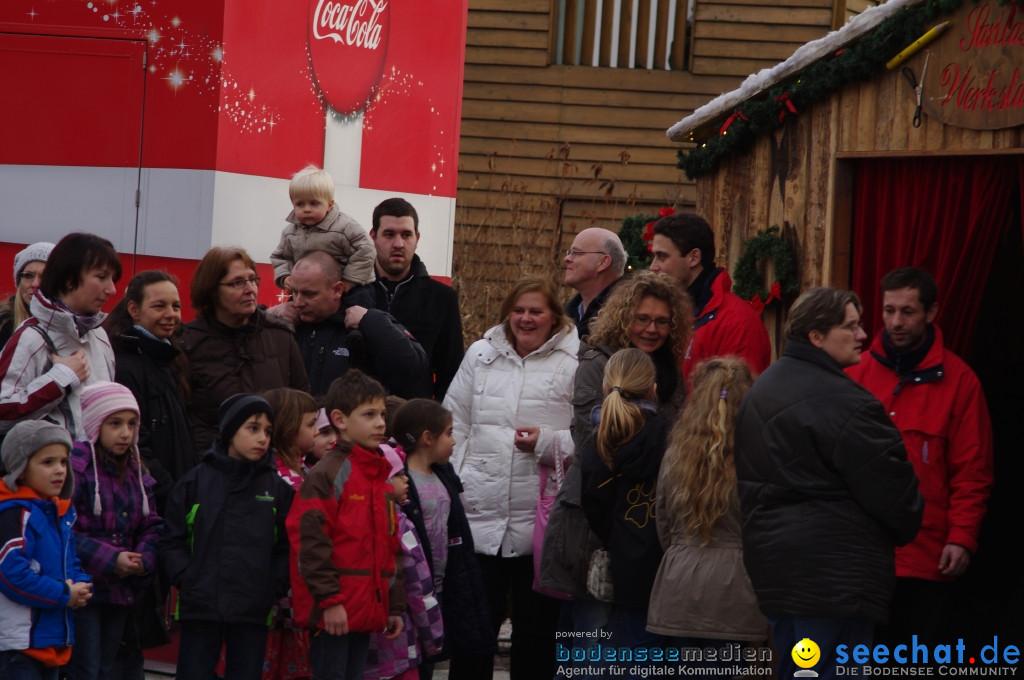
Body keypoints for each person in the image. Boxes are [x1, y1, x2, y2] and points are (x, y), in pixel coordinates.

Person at [734, 287, 924, 680]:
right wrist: (907, 521)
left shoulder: (763, 388)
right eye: (850, 327)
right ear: (816, 337)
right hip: (834, 582)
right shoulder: (845, 402)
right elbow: (895, 495)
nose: (863, 336)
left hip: (781, 572)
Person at [846, 267, 993, 646]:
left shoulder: (961, 382)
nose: (896, 322)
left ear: (931, 312)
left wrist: (961, 537)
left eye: (907, 312)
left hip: (927, 556)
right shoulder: (855, 372)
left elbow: (972, 471)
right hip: (860, 554)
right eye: (888, 310)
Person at [442, 276, 578, 680]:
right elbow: (455, 423)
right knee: (473, 634)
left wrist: (547, 442)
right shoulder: (480, 355)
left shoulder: (576, 361)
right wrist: (455, 483)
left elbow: (592, 435)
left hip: (541, 523)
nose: (526, 318)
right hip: (479, 512)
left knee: (536, 637)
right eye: (518, 310)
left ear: (554, 316)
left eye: (536, 311)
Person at [540, 271, 692, 603]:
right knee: (593, 636)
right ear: (624, 318)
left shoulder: (671, 372)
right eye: (643, 319)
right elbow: (596, 446)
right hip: (597, 516)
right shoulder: (597, 364)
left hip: (650, 518)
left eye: (662, 322)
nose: (652, 329)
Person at [159, 394, 294, 680]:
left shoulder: (277, 490)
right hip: (201, 605)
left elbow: (288, 545)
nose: (262, 438)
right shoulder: (195, 482)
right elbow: (172, 539)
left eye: (268, 431)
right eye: (253, 428)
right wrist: (188, 577)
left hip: (252, 608)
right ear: (230, 431)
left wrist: (273, 585)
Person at [287, 370, 405, 680]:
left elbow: (392, 546)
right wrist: (329, 601)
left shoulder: (380, 476)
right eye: (369, 414)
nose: (381, 422)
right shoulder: (327, 473)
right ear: (340, 419)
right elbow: (309, 544)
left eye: (381, 413)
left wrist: (394, 605)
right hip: (334, 611)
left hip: (368, 609)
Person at [647, 358, 766, 656]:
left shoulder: (676, 451)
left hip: (678, 581)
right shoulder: (758, 455)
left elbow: (662, 519)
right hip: (735, 586)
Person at [390, 399, 497, 680]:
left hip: (442, 587)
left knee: (434, 656)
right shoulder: (401, 482)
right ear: (427, 438)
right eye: (449, 433)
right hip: (412, 590)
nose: (454, 440)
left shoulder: (444, 475)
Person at [580, 349, 671, 671]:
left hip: (625, 562)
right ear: (653, 388)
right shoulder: (672, 434)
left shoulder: (601, 440)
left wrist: (616, 537)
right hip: (669, 563)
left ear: (607, 387)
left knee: (629, 652)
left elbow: (593, 502)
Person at [67, 382, 162, 680]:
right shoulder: (77, 468)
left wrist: (143, 558)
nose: (125, 433)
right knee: (86, 667)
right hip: (83, 589)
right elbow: (64, 529)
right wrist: (112, 559)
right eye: (115, 423)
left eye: (131, 424)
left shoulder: (136, 470)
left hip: (121, 589)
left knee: (108, 666)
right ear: (96, 422)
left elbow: (152, 523)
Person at [179, 246, 309, 451]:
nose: (250, 289)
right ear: (212, 290)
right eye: (238, 282)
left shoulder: (280, 336)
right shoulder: (187, 344)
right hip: (214, 468)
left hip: (273, 465)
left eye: (253, 279)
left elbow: (302, 404)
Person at [0, 232, 121, 441]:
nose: (112, 289)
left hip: (96, 473)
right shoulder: (31, 337)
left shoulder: (100, 335)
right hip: (53, 472)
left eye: (112, 278)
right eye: (101, 277)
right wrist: (62, 378)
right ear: (68, 280)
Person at [0, 420, 92, 680]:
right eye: (47, 462)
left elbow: (69, 560)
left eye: (63, 462)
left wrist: (82, 584)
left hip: (48, 639)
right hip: (17, 645)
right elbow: (12, 576)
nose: (60, 470)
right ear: (20, 468)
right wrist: (65, 594)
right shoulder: (15, 513)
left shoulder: (57, 512)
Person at [104, 270, 197, 513]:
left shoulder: (168, 358)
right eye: (159, 306)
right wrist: (172, 492)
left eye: (176, 306)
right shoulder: (125, 364)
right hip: (154, 503)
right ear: (134, 310)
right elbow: (136, 444)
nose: (171, 315)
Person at [288, 251, 431, 398]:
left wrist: (371, 322)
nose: (298, 302)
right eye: (294, 292)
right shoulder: (285, 325)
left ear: (337, 290)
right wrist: (270, 320)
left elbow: (414, 367)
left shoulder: (368, 325)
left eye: (309, 294)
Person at [649, 213, 770, 380]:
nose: (653, 266)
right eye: (654, 256)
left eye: (661, 256)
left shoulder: (736, 323)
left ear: (694, 258)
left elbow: (737, 397)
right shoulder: (669, 311)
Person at [370, 197, 464, 400]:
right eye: (389, 234)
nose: (398, 244)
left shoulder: (442, 299)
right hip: (355, 421)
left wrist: (432, 420)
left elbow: (451, 373)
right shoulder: (350, 291)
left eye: (406, 235)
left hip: (414, 422)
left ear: (417, 238)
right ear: (373, 236)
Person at [363, 445, 445, 680]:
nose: (406, 479)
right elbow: (419, 586)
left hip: (363, 649)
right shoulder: (400, 525)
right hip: (399, 647)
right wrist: (434, 636)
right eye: (397, 475)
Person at [261, 387, 319, 680]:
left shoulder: (306, 472)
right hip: (280, 597)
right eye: (310, 425)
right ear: (286, 428)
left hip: (301, 596)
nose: (317, 432)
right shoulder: (277, 479)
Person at [271, 165, 376, 309]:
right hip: (310, 291)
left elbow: (367, 250)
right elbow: (280, 257)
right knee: (290, 312)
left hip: (351, 288)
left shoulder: (344, 227)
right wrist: (286, 277)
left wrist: (350, 280)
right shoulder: (290, 233)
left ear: (329, 205)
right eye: (300, 204)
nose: (307, 209)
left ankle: (355, 331)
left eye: (314, 203)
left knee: (355, 314)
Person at [563, 228, 626, 334]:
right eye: (569, 252)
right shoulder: (569, 314)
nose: (567, 258)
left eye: (576, 252)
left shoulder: (623, 320)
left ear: (603, 262)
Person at [0, 241, 54, 348]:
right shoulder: (3, 325)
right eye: (28, 276)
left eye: (44, 277)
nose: (35, 284)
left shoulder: (74, 328)